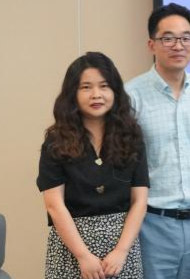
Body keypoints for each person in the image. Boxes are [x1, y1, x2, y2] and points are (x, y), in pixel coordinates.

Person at [39, 52, 149, 279]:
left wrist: (121, 251)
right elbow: (54, 205)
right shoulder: (56, 141)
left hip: (121, 251)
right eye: (86, 87)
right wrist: (83, 256)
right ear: (73, 93)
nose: (96, 94)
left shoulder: (131, 136)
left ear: (115, 91)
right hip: (71, 250)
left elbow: (139, 201)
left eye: (104, 86)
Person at [126, 3, 190, 279]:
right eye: (168, 38)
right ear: (151, 45)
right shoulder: (131, 95)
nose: (178, 45)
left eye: (186, 38)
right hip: (152, 222)